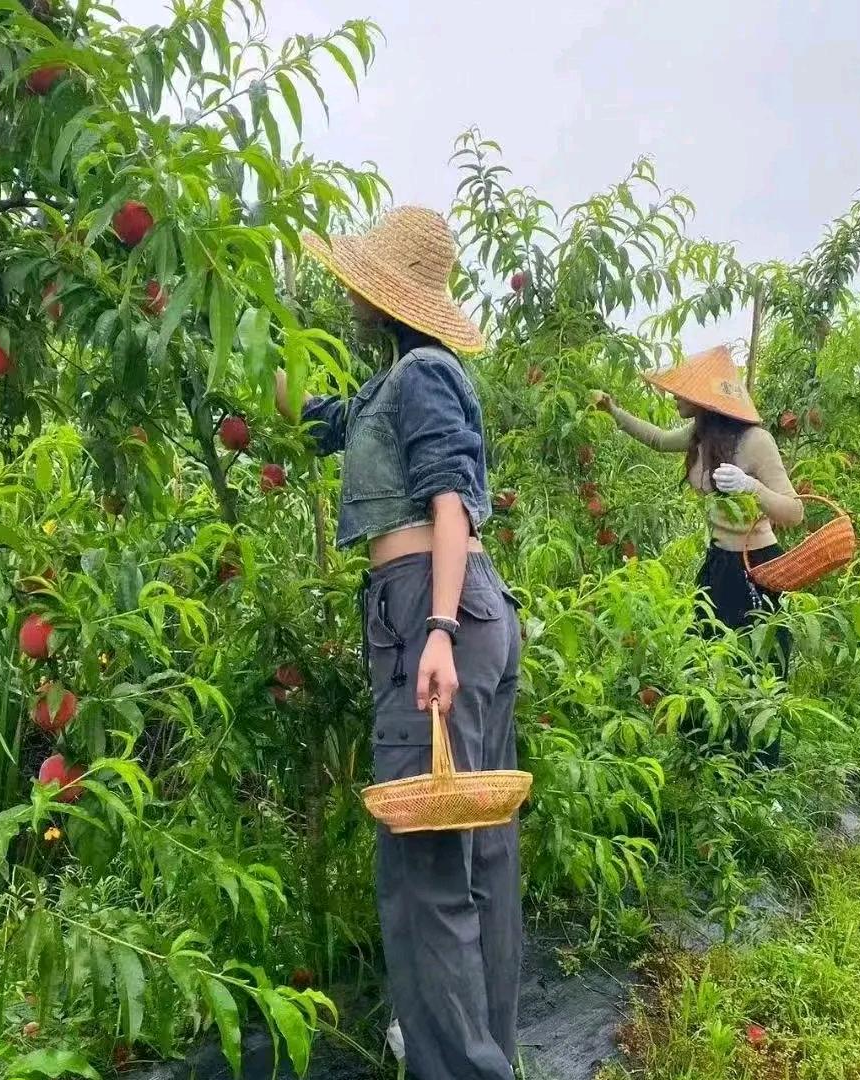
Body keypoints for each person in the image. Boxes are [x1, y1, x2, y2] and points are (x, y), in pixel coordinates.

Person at [276, 206, 523, 1080]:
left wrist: (438, 630)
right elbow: (312, 421)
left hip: (433, 604)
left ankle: (456, 1068)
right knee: (478, 843)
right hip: (460, 608)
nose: (350, 299)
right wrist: (266, 322)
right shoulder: (397, 383)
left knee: (426, 861)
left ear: (389, 299)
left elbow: (450, 500)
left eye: (358, 286)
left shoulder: (420, 370)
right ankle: (485, 1051)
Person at [593, 345, 803, 764]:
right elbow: (655, 438)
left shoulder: (756, 442)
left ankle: (757, 768)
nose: (674, 396)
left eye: (682, 390)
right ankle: (708, 754)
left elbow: (794, 511)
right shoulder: (700, 435)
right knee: (705, 655)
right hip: (719, 563)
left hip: (758, 568)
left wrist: (751, 486)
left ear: (706, 399)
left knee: (755, 664)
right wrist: (613, 411)